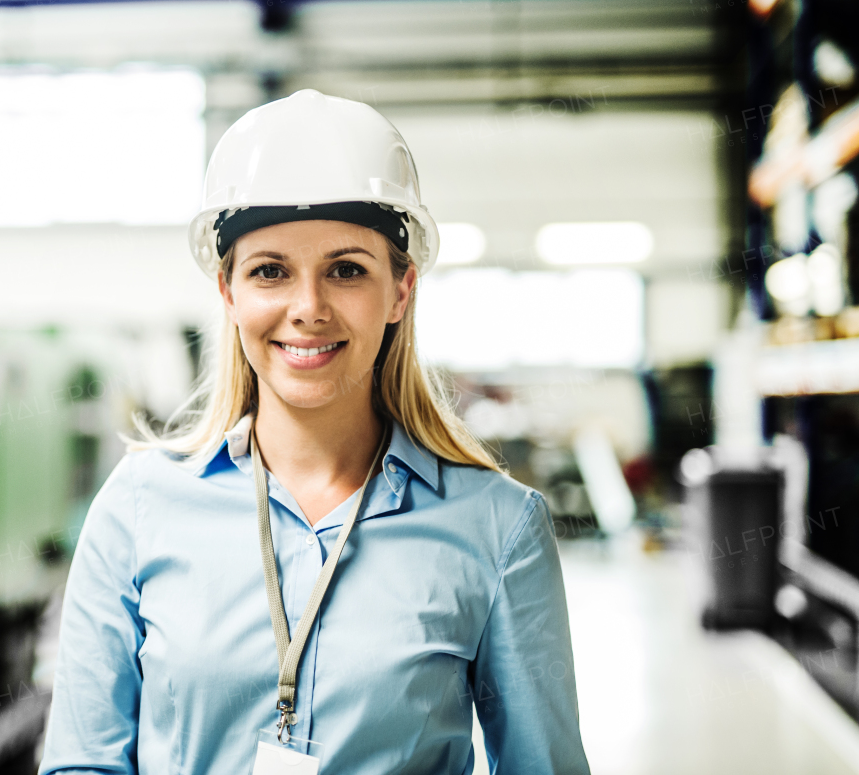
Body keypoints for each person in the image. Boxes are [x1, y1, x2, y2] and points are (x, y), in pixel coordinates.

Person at [39, 90, 590, 774]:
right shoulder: (140, 508)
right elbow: (82, 765)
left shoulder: (496, 527)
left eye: (346, 270)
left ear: (400, 291)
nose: (308, 308)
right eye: (270, 271)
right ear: (229, 292)